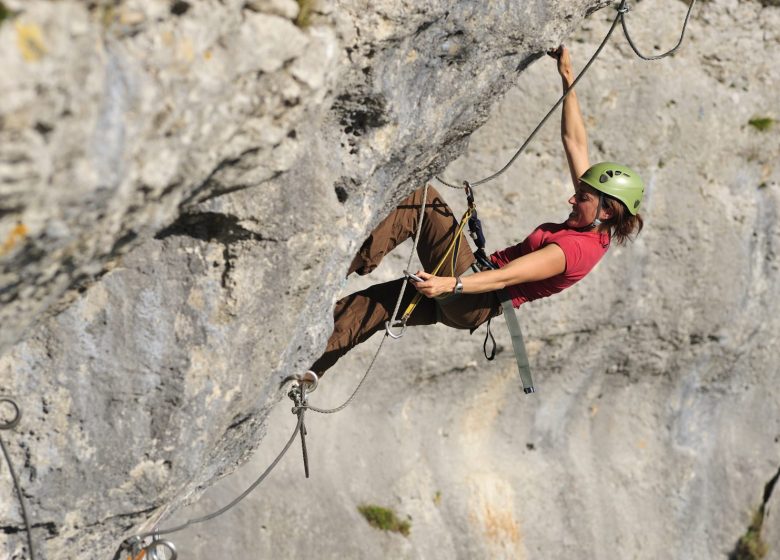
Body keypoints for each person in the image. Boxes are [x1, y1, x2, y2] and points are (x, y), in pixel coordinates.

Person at [304, 46, 644, 383]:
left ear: (607, 210)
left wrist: (449, 284)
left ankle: (333, 270)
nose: (572, 199)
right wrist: (567, 76)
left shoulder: (574, 250)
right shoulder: (593, 220)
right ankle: (309, 366)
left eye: (582, 197)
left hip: (476, 294)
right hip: (470, 296)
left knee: (421, 200)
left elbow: (506, 277)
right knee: (377, 303)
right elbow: (575, 143)